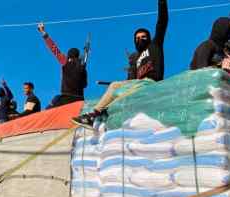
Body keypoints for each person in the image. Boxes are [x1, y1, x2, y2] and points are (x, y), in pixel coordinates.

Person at [72, 0, 168, 129]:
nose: (140, 39)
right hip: (138, 85)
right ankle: (103, 113)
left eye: (143, 37)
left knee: (115, 86)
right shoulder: (137, 58)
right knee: (117, 89)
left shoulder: (154, 46)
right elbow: (131, 79)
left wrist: (161, 3)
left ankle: (93, 115)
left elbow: (162, 22)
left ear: (149, 38)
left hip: (150, 82)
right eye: (137, 38)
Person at [37, 23, 88, 108]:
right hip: (80, 98)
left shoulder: (65, 61)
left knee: (49, 109)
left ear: (69, 56)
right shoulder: (82, 67)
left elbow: (54, 49)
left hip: (66, 97)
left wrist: (43, 32)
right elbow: (85, 85)